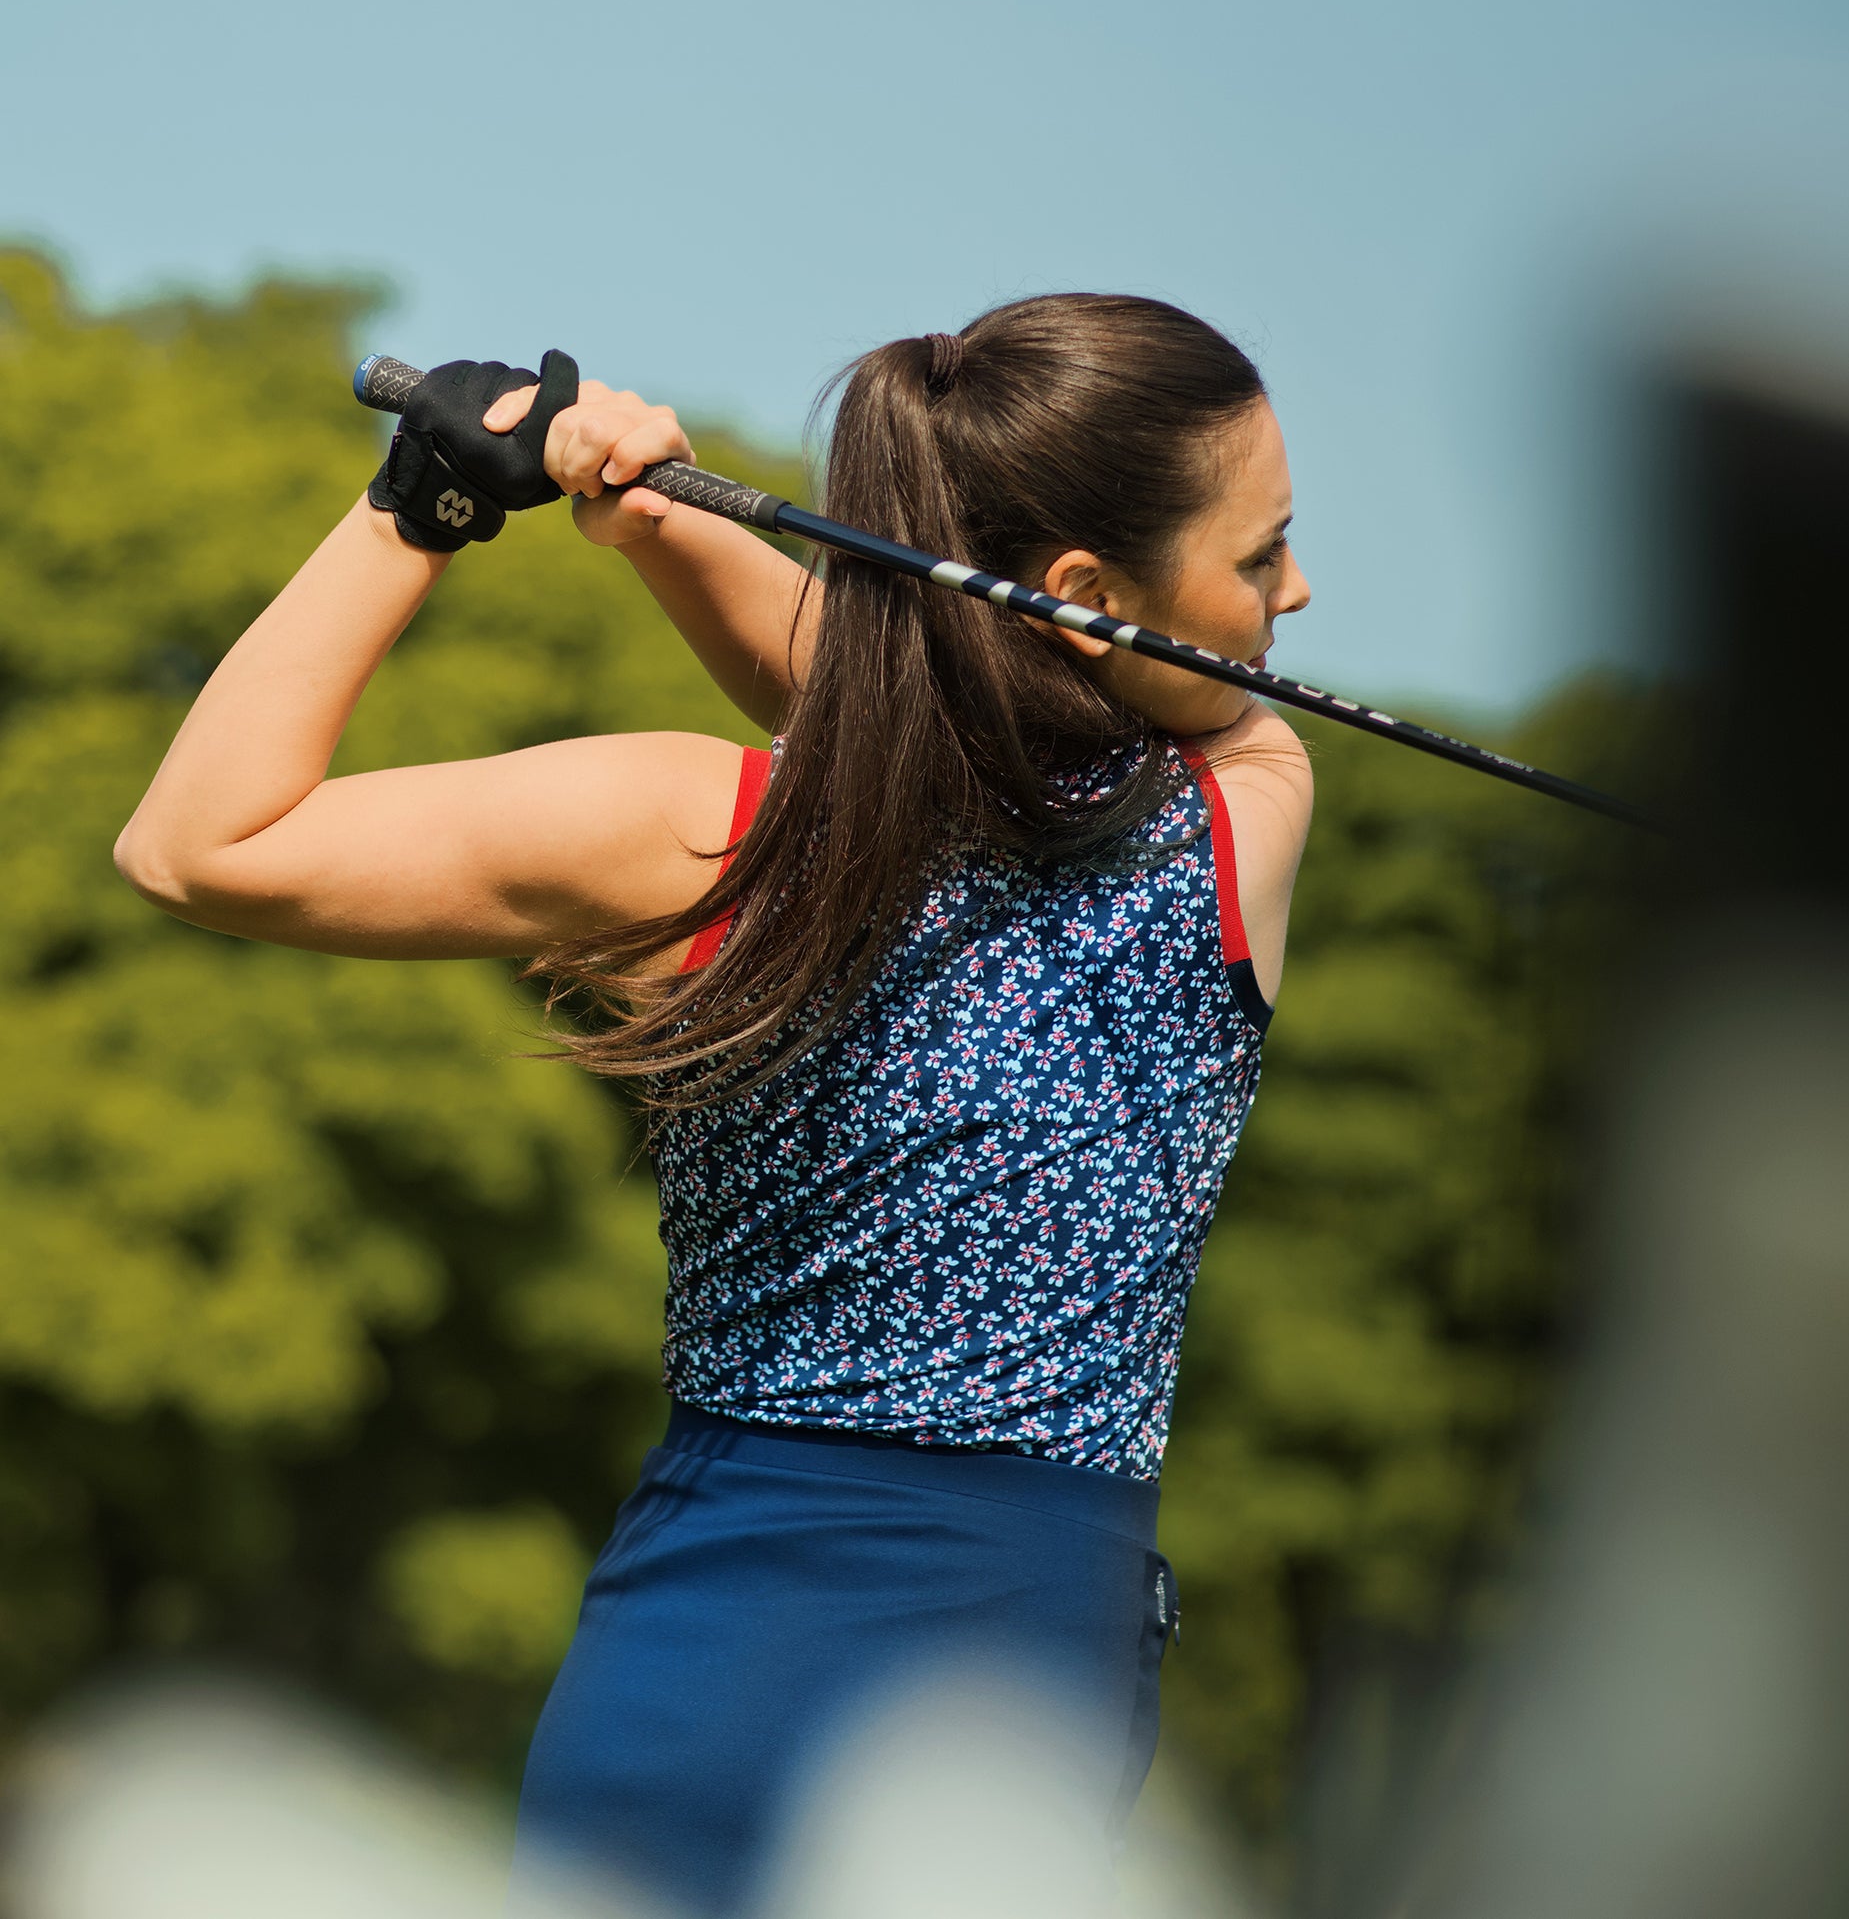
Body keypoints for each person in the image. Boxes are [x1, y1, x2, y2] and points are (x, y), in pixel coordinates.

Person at [114, 293, 1314, 1915]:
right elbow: (919, 694)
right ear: (1090, 597)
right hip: (1011, 1692)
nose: (1292, 593)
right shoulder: (1244, 801)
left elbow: (201, 842)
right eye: (1260, 557)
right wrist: (653, 527)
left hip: (711, 1640)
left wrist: (427, 509)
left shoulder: (696, 835)